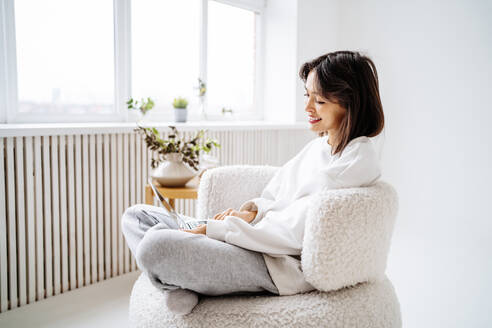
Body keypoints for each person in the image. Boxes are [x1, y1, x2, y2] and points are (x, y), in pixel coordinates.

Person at [121, 50, 385, 316]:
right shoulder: (317, 148)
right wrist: (249, 213)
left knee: (154, 247)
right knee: (136, 216)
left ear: (350, 102)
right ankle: (183, 284)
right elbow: (276, 195)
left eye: (320, 100)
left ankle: (179, 278)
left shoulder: (357, 160)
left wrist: (217, 230)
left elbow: (296, 233)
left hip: (272, 261)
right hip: (248, 237)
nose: (307, 108)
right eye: (307, 95)